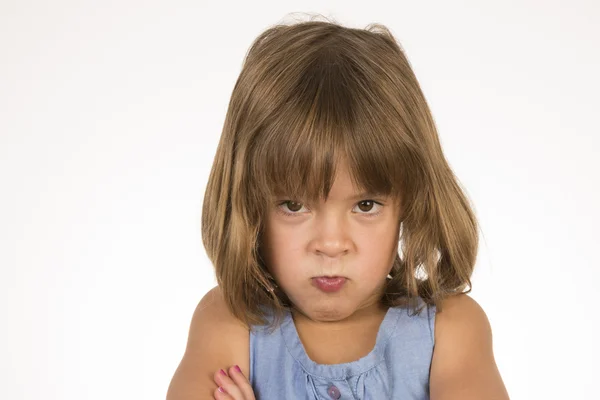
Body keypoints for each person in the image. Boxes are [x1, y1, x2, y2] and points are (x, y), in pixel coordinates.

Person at [167, 17, 510, 400]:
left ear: (410, 201)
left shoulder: (452, 330)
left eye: (365, 205)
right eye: (294, 206)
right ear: (249, 205)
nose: (331, 244)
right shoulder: (231, 323)